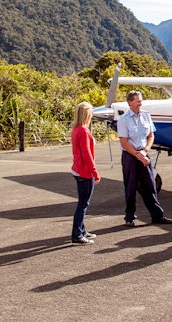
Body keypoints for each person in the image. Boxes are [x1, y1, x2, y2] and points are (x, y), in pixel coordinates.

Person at [118, 90, 172, 227]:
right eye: (137, 101)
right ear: (129, 102)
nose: (140, 104)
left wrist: (145, 150)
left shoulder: (146, 115)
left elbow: (151, 135)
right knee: (130, 187)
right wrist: (138, 155)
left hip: (143, 152)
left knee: (150, 186)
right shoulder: (123, 120)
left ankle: (157, 215)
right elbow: (124, 142)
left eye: (141, 101)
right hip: (130, 156)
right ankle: (129, 217)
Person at [70, 102, 101, 245]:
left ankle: (82, 229)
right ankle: (77, 233)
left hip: (77, 169)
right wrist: (94, 172)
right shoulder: (83, 131)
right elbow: (87, 154)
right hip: (84, 172)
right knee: (83, 204)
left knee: (83, 202)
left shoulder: (76, 129)